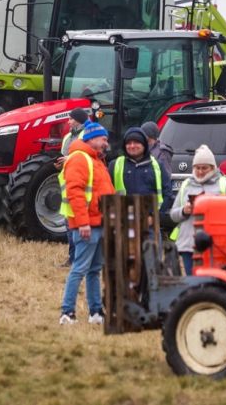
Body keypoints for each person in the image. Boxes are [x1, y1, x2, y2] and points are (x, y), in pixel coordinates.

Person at [58, 120, 115, 324]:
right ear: (91, 139)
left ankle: (96, 312)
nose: (106, 143)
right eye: (103, 139)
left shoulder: (96, 160)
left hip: (99, 223)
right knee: (80, 268)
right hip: (88, 225)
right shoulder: (80, 159)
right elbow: (75, 192)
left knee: (93, 269)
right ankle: (67, 312)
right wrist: (82, 223)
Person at [169, 144, 226, 275]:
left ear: (213, 168)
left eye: (204, 168)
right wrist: (183, 211)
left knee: (209, 281)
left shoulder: (223, 184)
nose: (200, 171)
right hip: (188, 245)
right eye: (197, 168)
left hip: (214, 245)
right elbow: (173, 214)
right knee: (192, 282)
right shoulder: (187, 184)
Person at [108, 126, 171, 230]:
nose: (132, 146)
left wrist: (155, 216)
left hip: (150, 225)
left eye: (136, 142)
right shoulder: (115, 165)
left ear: (144, 144)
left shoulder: (157, 165)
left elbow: (167, 193)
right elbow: (107, 194)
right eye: (128, 143)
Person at [54, 107, 89, 267]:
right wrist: (60, 163)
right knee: (69, 224)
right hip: (68, 184)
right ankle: (72, 257)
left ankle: (80, 258)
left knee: (80, 224)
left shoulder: (87, 134)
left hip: (82, 184)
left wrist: (70, 158)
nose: (68, 121)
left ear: (79, 120)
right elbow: (64, 156)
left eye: (71, 118)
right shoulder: (68, 136)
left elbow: (89, 155)